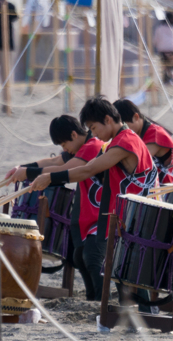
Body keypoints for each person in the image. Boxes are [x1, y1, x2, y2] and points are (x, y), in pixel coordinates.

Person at [29, 97, 157, 322]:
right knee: (121, 269)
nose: (94, 134)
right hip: (126, 214)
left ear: (108, 119)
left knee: (125, 269)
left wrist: (50, 177)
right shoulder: (119, 140)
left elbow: (88, 169)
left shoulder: (125, 141)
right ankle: (139, 312)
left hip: (134, 216)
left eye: (94, 128)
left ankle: (144, 313)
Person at [6, 115, 104, 300]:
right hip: (86, 212)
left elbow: (66, 169)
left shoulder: (93, 146)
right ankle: (92, 298)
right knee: (78, 257)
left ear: (74, 135)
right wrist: (21, 167)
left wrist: (28, 173)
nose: (63, 149)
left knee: (92, 259)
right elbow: (54, 162)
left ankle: (101, 300)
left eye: (63, 143)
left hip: (101, 212)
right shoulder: (80, 147)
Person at [114, 99, 173, 185]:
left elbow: (138, 161)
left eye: (123, 126)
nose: (120, 131)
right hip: (153, 190)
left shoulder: (156, 134)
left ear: (136, 117)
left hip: (170, 192)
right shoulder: (135, 134)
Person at [152, 12, 173, 85]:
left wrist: (155, 44)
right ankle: (171, 78)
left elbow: (156, 38)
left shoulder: (160, 27)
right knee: (171, 64)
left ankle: (166, 79)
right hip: (172, 48)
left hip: (163, 48)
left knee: (164, 64)